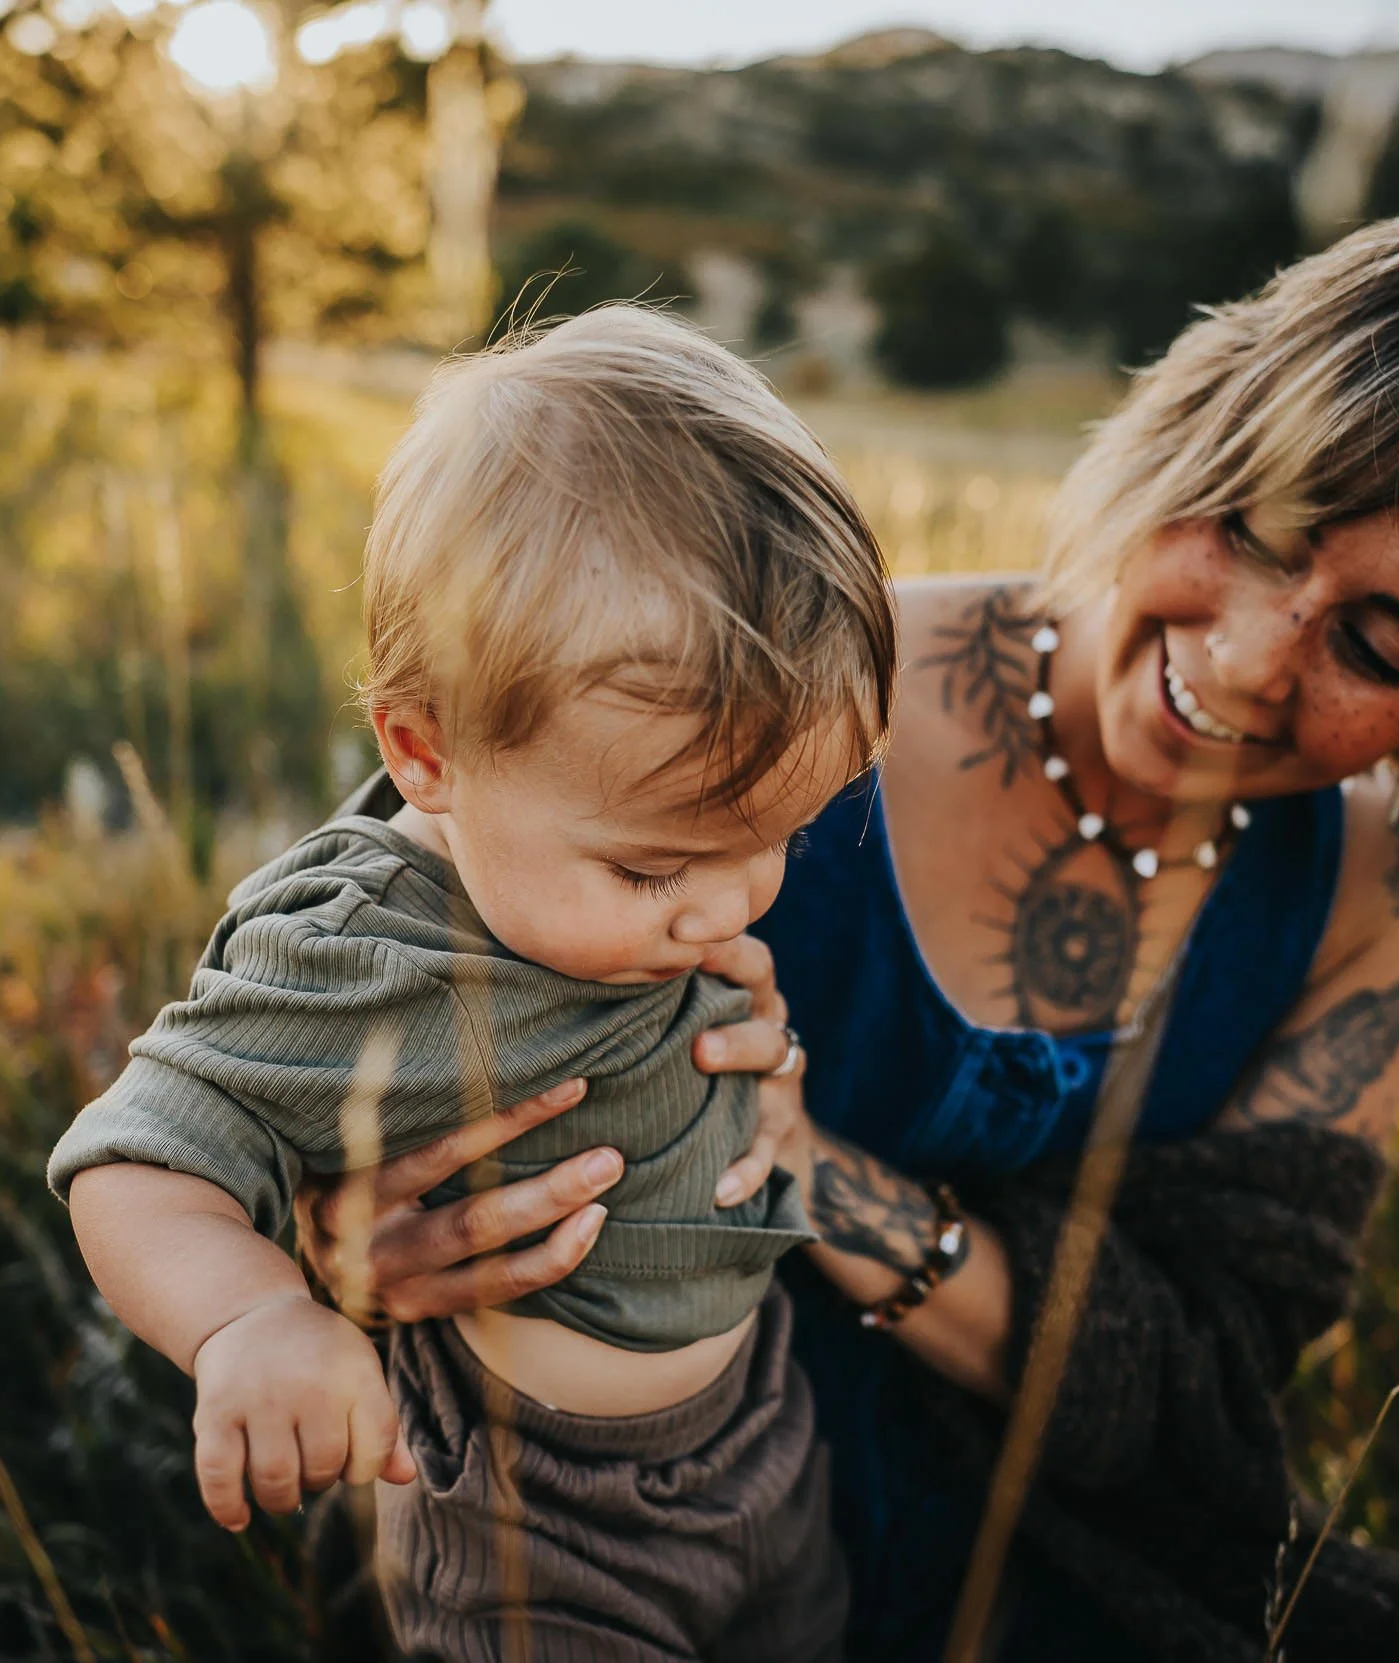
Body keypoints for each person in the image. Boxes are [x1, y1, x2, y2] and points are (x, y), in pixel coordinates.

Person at [297, 213, 1399, 1660]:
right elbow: (332, 1029)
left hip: (1052, 1552)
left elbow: (1202, 1392)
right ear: (1186, 431)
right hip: (608, 1520)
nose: (1244, 655)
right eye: (1248, 528)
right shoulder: (770, 668)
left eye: (1378, 647)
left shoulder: (1382, 885)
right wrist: (345, 1232)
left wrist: (816, 1179)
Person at [48, 304, 897, 1663]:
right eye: (651, 867)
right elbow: (133, 1161)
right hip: (539, 1527)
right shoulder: (362, 948)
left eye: (775, 841)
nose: (731, 902)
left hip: (759, 1439)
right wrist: (255, 1316)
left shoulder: (626, 830)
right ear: (425, 751)